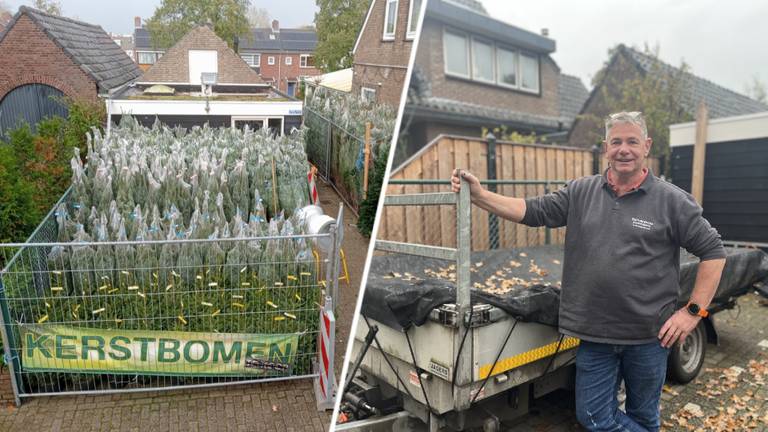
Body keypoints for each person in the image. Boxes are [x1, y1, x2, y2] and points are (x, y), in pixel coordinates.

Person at [450, 111, 726, 432]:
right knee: (594, 418)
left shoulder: (672, 201)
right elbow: (532, 210)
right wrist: (481, 196)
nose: (624, 149)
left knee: (644, 416)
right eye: (617, 142)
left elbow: (713, 252)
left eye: (632, 141)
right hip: (595, 335)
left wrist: (692, 312)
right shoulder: (581, 192)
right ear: (605, 147)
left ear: (646, 146)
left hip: (649, 336)